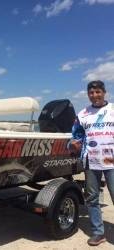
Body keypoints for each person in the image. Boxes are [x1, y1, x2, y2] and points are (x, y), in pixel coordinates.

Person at [69, 80, 114, 246]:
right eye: (91, 93)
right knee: (92, 199)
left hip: (112, 163)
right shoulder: (82, 115)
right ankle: (98, 232)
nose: (94, 96)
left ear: (104, 92)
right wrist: (72, 144)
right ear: (88, 94)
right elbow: (76, 136)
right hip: (91, 162)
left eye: (98, 92)